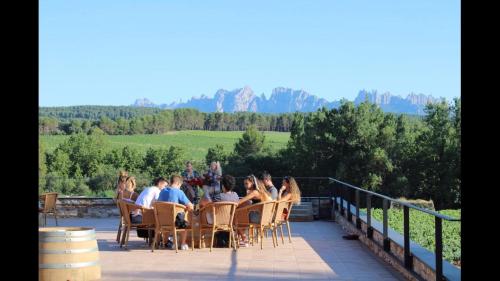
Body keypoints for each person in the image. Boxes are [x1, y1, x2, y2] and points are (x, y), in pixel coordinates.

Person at [157, 174, 194, 250]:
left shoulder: (162, 191)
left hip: (162, 221)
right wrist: (185, 209)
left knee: (173, 218)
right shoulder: (179, 191)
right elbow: (190, 206)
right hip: (174, 221)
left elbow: (157, 203)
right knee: (184, 222)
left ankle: (167, 242)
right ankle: (182, 244)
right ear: (178, 183)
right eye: (180, 185)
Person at [237, 175, 272, 246]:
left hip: (259, 218)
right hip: (266, 217)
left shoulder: (255, 192)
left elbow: (240, 201)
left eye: (247, 183)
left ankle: (244, 239)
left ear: (252, 183)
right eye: (244, 184)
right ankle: (242, 238)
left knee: (236, 218)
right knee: (241, 213)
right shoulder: (260, 191)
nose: (245, 186)